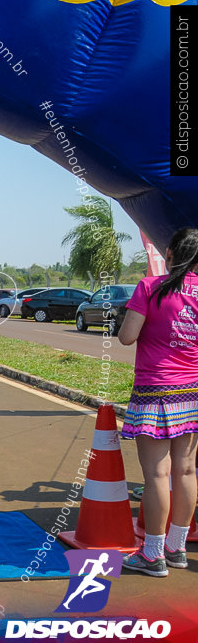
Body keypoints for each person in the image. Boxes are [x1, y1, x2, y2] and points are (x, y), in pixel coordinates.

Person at [118, 227, 198, 577]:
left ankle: (152, 554)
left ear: (169, 254)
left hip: (156, 391)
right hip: (193, 393)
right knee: (186, 470)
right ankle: (176, 548)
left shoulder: (149, 288)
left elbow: (127, 336)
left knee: (156, 474)